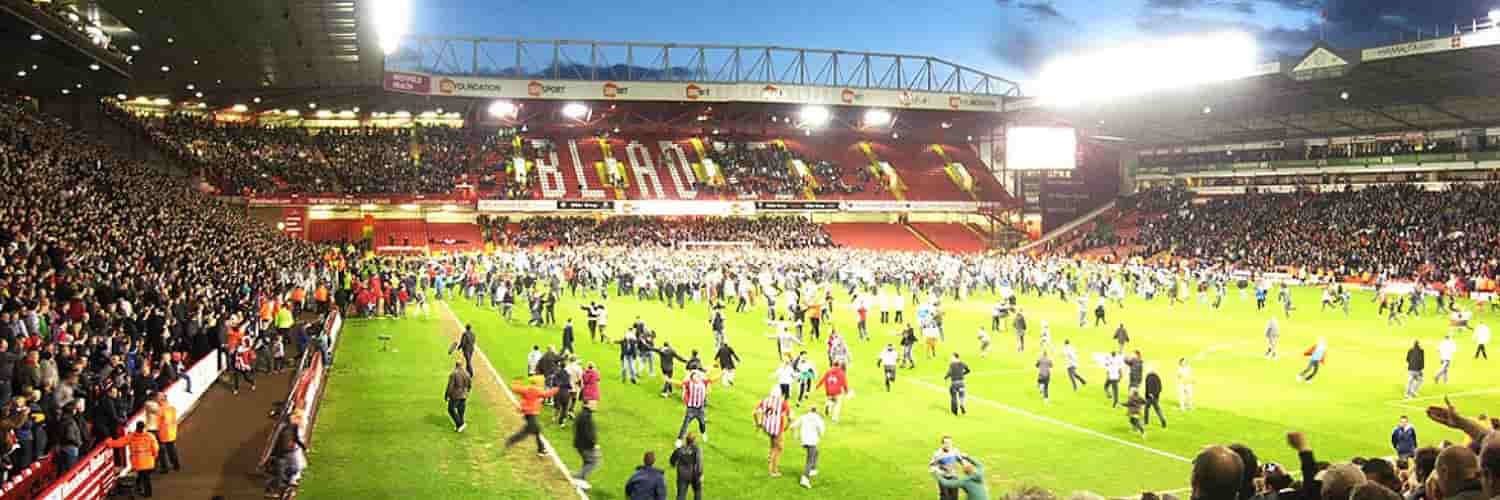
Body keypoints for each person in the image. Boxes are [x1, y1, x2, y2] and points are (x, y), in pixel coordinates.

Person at [504, 375, 558, 456]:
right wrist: (557, 389)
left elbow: (515, 389)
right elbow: (546, 394)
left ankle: (541, 449)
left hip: (528, 414)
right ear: (537, 383)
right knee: (525, 433)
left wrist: (516, 382)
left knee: (536, 431)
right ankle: (510, 441)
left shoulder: (526, 389)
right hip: (531, 414)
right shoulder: (535, 390)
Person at [108, 421, 161, 497]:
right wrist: (155, 457)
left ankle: (142, 490)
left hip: (137, 463)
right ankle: (146, 493)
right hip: (149, 462)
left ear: (136, 427)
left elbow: (119, 443)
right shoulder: (150, 436)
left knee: (142, 476)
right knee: (145, 478)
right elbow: (155, 448)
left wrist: (109, 442)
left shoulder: (131, 436)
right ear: (144, 427)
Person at [671, 370, 719, 447]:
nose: (697, 378)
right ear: (692, 379)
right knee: (685, 425)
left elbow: (712, 380)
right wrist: (669, 380)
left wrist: (721, 374)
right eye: (695, 377)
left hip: (700, 409)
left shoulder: (703, 382)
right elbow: (679, 383)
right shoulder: (689, 383)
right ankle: (679, 440)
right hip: (691, 409)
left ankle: (703, 433)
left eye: (697, 376)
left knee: (702, 423)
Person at [754, 387, 791, 477]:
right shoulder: (783, 402)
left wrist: (758, 423)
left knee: (773, 445)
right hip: (778, 428)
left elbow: (755, 412)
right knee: (779, 448)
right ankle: (773, 470)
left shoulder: (764, 401)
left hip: (767, 427)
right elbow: (790, 417)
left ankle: (770, 457)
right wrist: (787, 426)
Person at [793, 406, 826, 489]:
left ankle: (813, 469)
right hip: (812, 441)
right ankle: (804, 478)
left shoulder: (803, 417)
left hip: (804, 440)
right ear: (816, 411)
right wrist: (819, 435)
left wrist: (795, 434)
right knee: (810, 460)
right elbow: (821, 431)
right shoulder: (818, 418)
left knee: (816, 452)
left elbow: (793, 426)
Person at [572, 400, 601, 491]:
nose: (596, 405)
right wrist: (593, 444)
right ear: (587, 404)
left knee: (587, 462)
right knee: (593, 462)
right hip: (585, 445)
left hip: (581, 443)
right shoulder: (586, 417)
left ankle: (581, 479)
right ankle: (578, 478)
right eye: (594, 403)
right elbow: (587, 433)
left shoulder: (583, 414)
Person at [669, 433, 704, 500]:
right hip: (694, 475)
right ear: (694, 440)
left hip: (682, 475)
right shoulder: (697, 449)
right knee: (698, 493)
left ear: (686, 440)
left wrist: (673, 464)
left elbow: (672, 459)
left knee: (681, 495)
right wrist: (700, 474)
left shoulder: (680, 449)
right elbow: (699, 462)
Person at [154, 393, 181, 473]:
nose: (156, 400)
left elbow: (159, 422)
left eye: (157, 399)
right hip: (172, 432)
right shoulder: (172, 408)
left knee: (161, 451)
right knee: (171, 449)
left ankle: (165, 468)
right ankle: (176, 465)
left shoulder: (160, 410)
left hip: (163, 433)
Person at [445, 360, 471, 432]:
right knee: (461, 411)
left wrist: (447, 395)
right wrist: (467, 392)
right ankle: (459, 427)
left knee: (451, 409)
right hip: (464, 395)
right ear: (462, 365)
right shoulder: (467, 373)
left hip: (456, 395)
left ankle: (460, 424)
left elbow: (450, 386)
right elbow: (469, 385)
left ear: (456, 365)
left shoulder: (454, 373)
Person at [1143, 364, 1165, 428]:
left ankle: (1146, 421)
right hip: (1156, 396)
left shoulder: (1149, 376)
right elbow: (1160, 387)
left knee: (1146, 408)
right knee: (1157, 409)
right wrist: (1157, 394)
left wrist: (1150, 393)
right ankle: (1162, 420)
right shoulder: (1157, 376)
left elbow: (1148, 386)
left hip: (1150, 397)